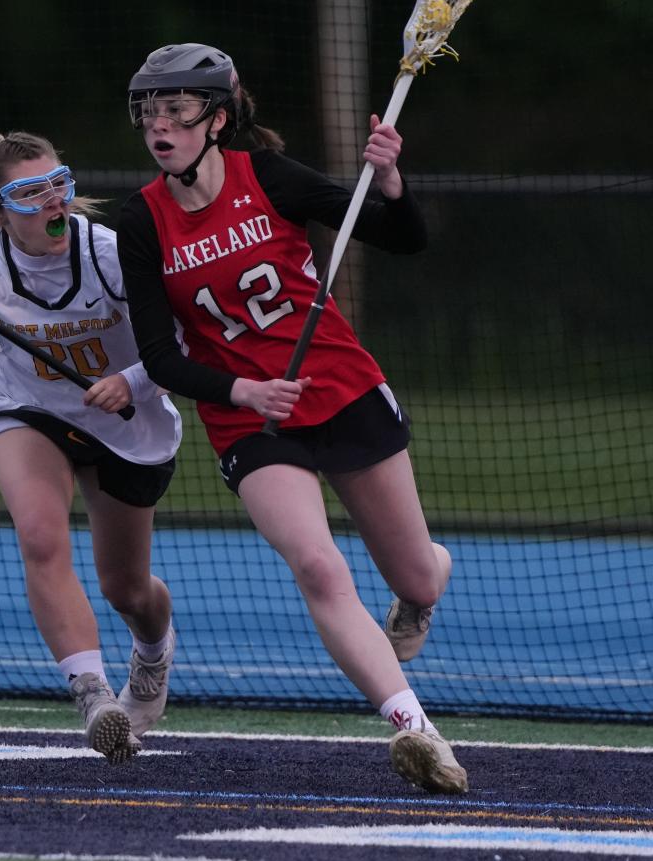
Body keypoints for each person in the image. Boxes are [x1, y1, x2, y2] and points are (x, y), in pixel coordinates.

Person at [115, 43, 467, 794]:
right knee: (317, 564)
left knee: (413, 575)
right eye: (149, 111)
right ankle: (416, 730)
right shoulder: (139, 221)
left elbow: (405, 236)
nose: (159, 125)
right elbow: (159, 355)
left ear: (217, 118)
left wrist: (394, 182)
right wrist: (240, 391)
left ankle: (424, 579)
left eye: (176, 109)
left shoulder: (268, 176)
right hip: (253, 424)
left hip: (342, 388)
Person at [0, 130, 180, 765]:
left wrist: (127, 380)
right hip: (29, 410)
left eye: (59, 185)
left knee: (127, 589)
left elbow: (180, 341)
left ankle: (153, 655)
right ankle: (94, 693)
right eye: (30, 192)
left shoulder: (108, 253)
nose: (53, 202)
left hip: (127, 423)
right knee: (41, 537)